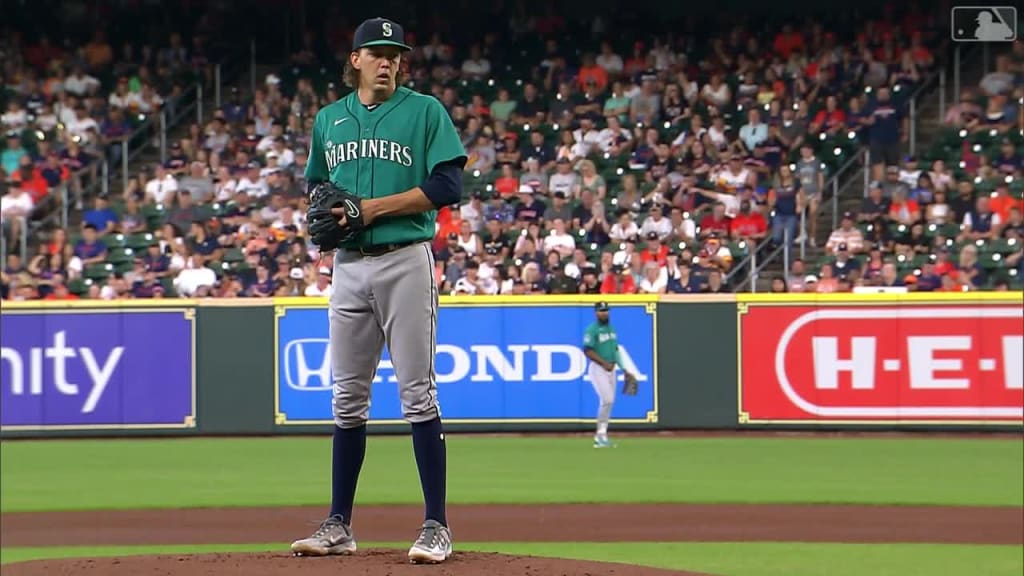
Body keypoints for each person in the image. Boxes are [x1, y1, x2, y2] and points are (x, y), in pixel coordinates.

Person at [290, 17, 466, 565]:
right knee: (347, 397)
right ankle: (339, 524)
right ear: (357, 59)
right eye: (378, 52)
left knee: (418, 394)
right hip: (348, 266)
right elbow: (317, 186)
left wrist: (369, 209)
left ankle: (436, 524)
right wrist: (328, 208)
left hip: (404, 260)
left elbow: (446, 186)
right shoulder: (329, 120)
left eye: (396, 53)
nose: (388, 60)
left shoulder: (425, 111)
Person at [582, 301, 637, 448]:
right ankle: (600, 435)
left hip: (611, 369)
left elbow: (615, 351)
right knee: (607, 399)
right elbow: (587, 350)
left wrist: (624, 369)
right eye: (601, 311)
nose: (604, 313)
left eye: (606, 310)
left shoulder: (612, 329)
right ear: (596, 313)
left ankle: (602, 434)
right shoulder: (592, 330)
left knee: (609, 402)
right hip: (598, 369)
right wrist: (603, 363)